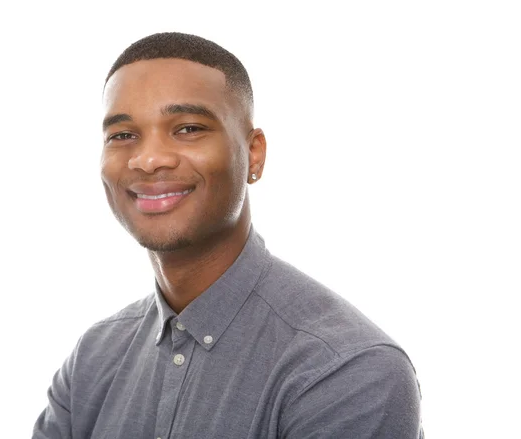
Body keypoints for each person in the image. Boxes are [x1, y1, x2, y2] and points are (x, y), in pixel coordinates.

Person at [33, 32, 423, 439]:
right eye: (123, 135)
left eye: (187, 128)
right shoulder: (92, 361)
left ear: (254, 154)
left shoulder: (346, 371)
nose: (148, 160)